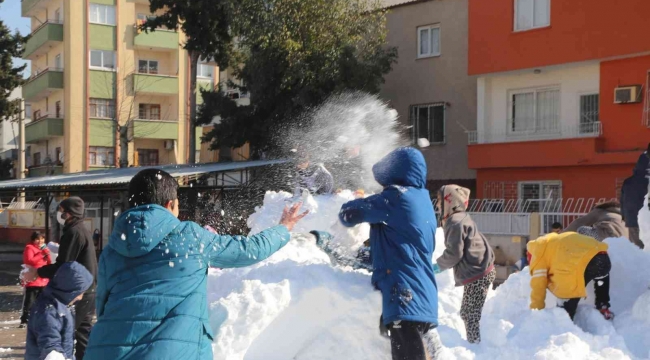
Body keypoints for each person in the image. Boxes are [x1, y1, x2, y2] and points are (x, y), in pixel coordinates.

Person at [85, 169, 308, 360]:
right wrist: (283, 228)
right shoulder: (188, 237)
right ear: (170, 204)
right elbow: (249, 250)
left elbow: (102, 304)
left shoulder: (113, 249)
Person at [337, 147, 442, 360]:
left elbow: (349, 214)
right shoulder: (422, 200)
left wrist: (361, 198)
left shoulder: (395, 198)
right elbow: (402, 247)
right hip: (422, 294)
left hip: (404, 295)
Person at [23, 196, 98, 359]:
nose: (59, 214)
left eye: (61, 211)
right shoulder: (81, 230)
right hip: (88, 289)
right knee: (83, 333)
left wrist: (37, 272)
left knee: (65, 332)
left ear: (69, 213)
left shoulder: (73, 232)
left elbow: (63, 267)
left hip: (79, 290)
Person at [432, 185, 495, 344]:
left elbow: (454, 253)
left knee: (469, 314)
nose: (438, 205)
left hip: (478, 272)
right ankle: (474, 344)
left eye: (440, 201)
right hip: (479, 270)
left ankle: (475, 347)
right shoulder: (460, 217)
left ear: (450, 201)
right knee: (468, 313)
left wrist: (436, 267)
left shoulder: (455, 221)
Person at [528, 227, 613, 321]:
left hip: (588, 263)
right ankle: (603, 306)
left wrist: (536, 311)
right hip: (603, 257)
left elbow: (538, 286)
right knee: (600, 276)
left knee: (567, 300)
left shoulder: (539, 255)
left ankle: (565, 324)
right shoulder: (557, 241)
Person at [25, 261, 93, 360]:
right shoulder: (48, 311)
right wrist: (54, 355)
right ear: (68, 290)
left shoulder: (63, 305)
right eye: (79, 293)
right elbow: (49, 342)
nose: (80, 297)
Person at [20, 231, 51, 328]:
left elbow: (49, 262)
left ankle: (41, 318)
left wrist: (47, 254)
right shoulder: (29, 248)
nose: (40, 241)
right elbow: (29, 261)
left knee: (43, 301)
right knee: (30, 301)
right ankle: (25, 320)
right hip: (33, 278)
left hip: (43, 279)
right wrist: (41, 254)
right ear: (33, 240)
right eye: (38, 239)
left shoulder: (44, 248)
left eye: (42, 238)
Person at [621, 146, 650, 249]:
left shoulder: (628, 182)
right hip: (646, 221)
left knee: (637, 250)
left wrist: (625, 217)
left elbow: (623, 202)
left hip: (632, 221)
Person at [563, 201, 627, 241]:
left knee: (581, 229)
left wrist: (560, 236)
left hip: (607, 236)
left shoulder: (599, 210)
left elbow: (578, 222)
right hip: (624, 241)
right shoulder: (621, 215)